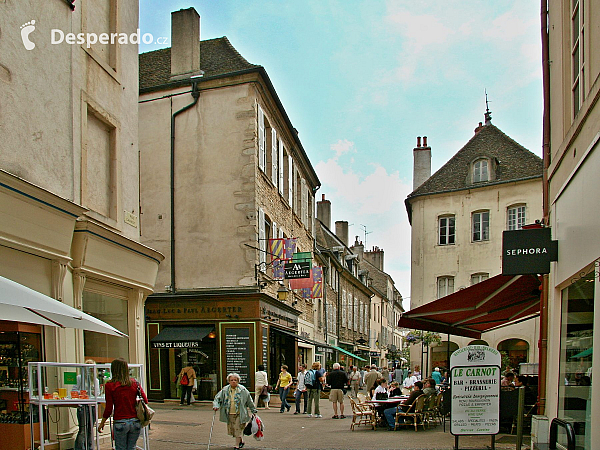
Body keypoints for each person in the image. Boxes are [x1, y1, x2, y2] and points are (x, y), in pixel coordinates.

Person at [98, 358, 148, 450]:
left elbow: (109, 408)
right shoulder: (135, 383)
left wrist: (102, 422)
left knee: (120, 448)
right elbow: (145, 400)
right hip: (135, 422)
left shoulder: (110, 385)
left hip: (120, 421)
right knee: (132, 447)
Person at [213, 373, 257, 450]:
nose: (233, 382)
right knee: (233, 429)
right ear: (229, 381)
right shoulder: (225, 390)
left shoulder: (243, 390)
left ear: (238, 381)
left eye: (235, 380)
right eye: (231, 380)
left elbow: (249, 400)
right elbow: (217, 398)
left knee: (238, 428)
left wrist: (253, 410)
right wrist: (216, 405)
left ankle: (236, 445)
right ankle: (241, 441)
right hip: (229, 413)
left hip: (240, 413)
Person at [74, 359, 100, 450]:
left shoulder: (95, 380)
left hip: (92, 406)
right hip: (82, 406)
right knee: (82, 430)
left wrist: (93, 392)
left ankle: (90, 447)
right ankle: (79, 448)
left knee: (90, 429)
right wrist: (82, 393)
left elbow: (97, 393)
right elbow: (74, 390)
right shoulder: (79, 378)